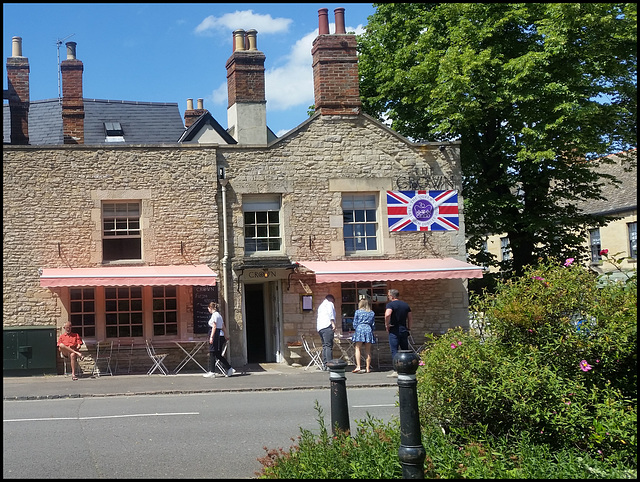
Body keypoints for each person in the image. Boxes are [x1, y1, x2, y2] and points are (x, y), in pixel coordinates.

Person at [203, 302, 236, 378]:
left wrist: (211, 337)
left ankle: (212, 371)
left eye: (208, 309)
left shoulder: (214, 315)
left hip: (215, 335)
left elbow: (214, 326)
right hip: (220, 336)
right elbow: (223, 327)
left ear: (211, 308)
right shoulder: (219, 316)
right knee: (218, 354)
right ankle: (229, 368)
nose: (208, 310)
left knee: (212, 352)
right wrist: (226, 335)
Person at [385, 289, 413, 377]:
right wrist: (409, 327)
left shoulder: (390, 305)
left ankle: (396, 370)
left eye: (389, 295)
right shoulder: (405, 305)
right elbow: (410, 317)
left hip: (394, 330)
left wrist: (387, 324)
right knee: (405, 349)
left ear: (392, 296)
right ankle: (407, 368)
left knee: (394, 350)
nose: (388, 297)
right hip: (403, 329)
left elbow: (387, 314)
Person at [351, 298, 376, 373]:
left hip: (360, 329)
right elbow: (373, 324)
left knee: (357, 348)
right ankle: (367, 367)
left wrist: (356, 328)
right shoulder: (371, 313)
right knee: (368, 350)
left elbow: (355, 323)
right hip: (368, 329)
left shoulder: (358, 312)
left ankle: (358, 366)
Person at [316, 294, 336, 370]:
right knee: (328, 346)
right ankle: (329, 365)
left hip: (320, 328)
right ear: (331, 299)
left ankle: (325, 364)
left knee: (325, 346)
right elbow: (331, 314)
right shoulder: (329, 304)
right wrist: (333, 323)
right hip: (327, 326)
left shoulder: (321, 306)